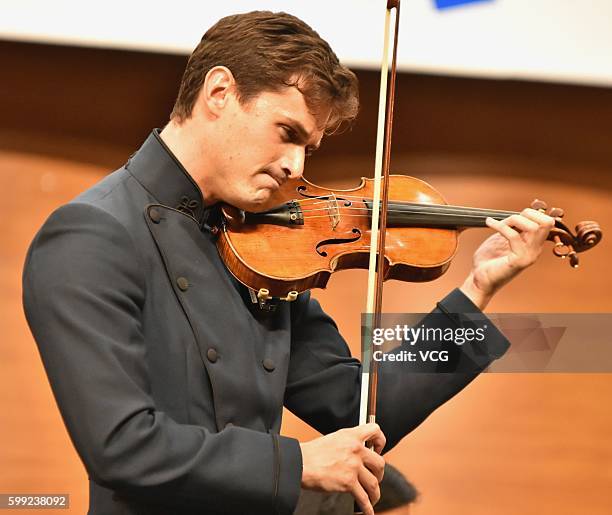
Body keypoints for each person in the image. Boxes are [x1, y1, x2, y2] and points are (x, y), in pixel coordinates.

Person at [22, 11, 554, 515]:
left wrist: (476, 292)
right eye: (287, 133)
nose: (295, 166)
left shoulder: (263, 243)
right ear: (220, 93)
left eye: (310, 147)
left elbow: (361, 406)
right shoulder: (91, 234)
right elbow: (121, 446)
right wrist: (297, 462)